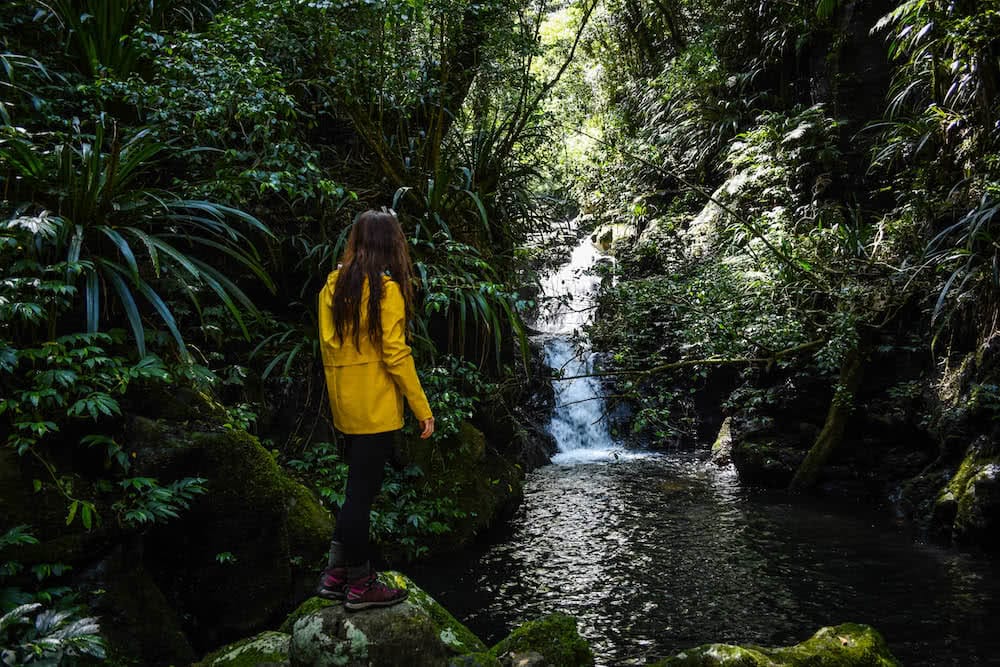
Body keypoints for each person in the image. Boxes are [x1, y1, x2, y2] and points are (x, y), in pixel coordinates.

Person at [315, 209, 435, 611]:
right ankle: (360, 584)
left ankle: (335, 574)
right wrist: (421, 407)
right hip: (377, 405)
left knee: (356, 491)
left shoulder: (333, 285)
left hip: (346, 404)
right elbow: (395, 354)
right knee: (360, 498)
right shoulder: (386, 291)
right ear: (389, 245)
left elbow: (329, 346)